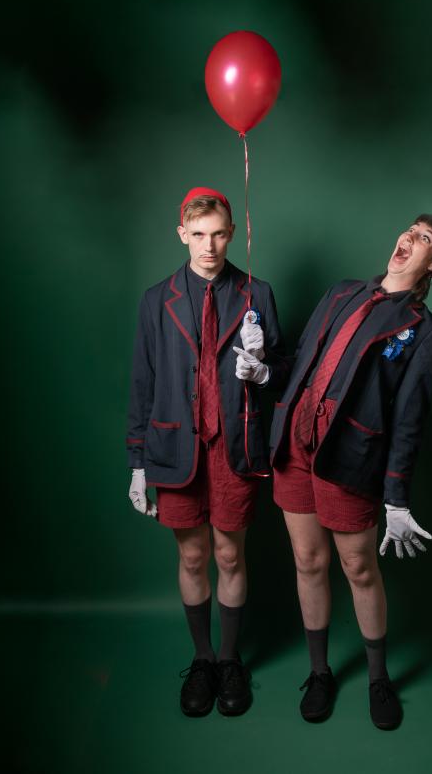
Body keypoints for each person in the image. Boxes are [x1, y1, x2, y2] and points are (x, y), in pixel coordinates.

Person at [239, 213, 432, 730]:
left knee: (359, 569)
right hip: (294, 444)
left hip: (350, 460)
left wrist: (397, 497)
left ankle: (378, 678)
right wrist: (266, 370)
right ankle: (320, 673)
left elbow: (410, 417)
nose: (408, 237)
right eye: (409, 229)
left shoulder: (423, 330)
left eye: (425, 238)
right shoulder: (341, 293)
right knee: (307, 559)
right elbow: (301, 363)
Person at [126, 187, 287, 719]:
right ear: (182, 235)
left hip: (235, 445)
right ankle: (201, 660)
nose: (209, 246)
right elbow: (143, 382)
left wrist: (261, 372)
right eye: (198, 235)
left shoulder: (256, 293)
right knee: (192, 555)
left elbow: (283, 373)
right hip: (175, 444)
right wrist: (136, 462)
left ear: (231, 233)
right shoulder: (157, 299)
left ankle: (229, 657)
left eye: (218, 234)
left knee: (229, 554)